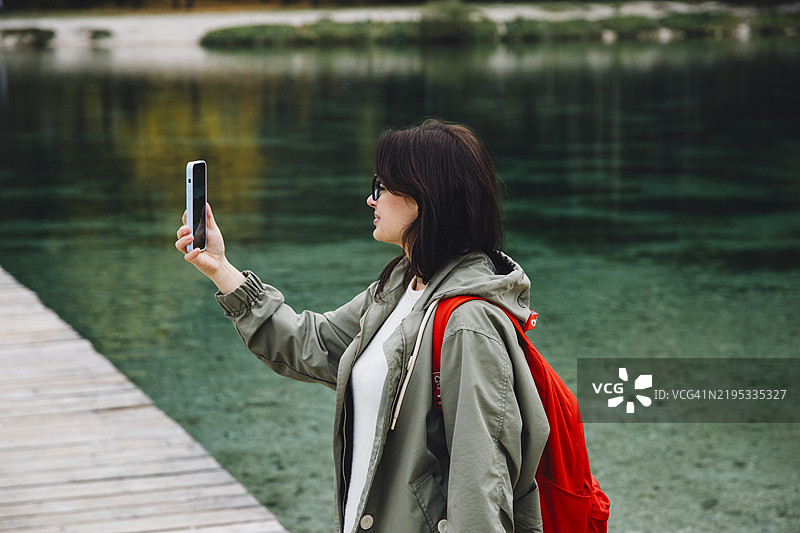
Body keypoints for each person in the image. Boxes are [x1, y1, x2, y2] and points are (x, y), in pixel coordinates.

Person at [175, 119, 549, 533]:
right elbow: (310, 343)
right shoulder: (398, 288)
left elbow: (481, 485)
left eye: (383, 188)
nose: (371, 200)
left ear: (426, 198)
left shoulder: (468, 324)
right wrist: (222, 270)